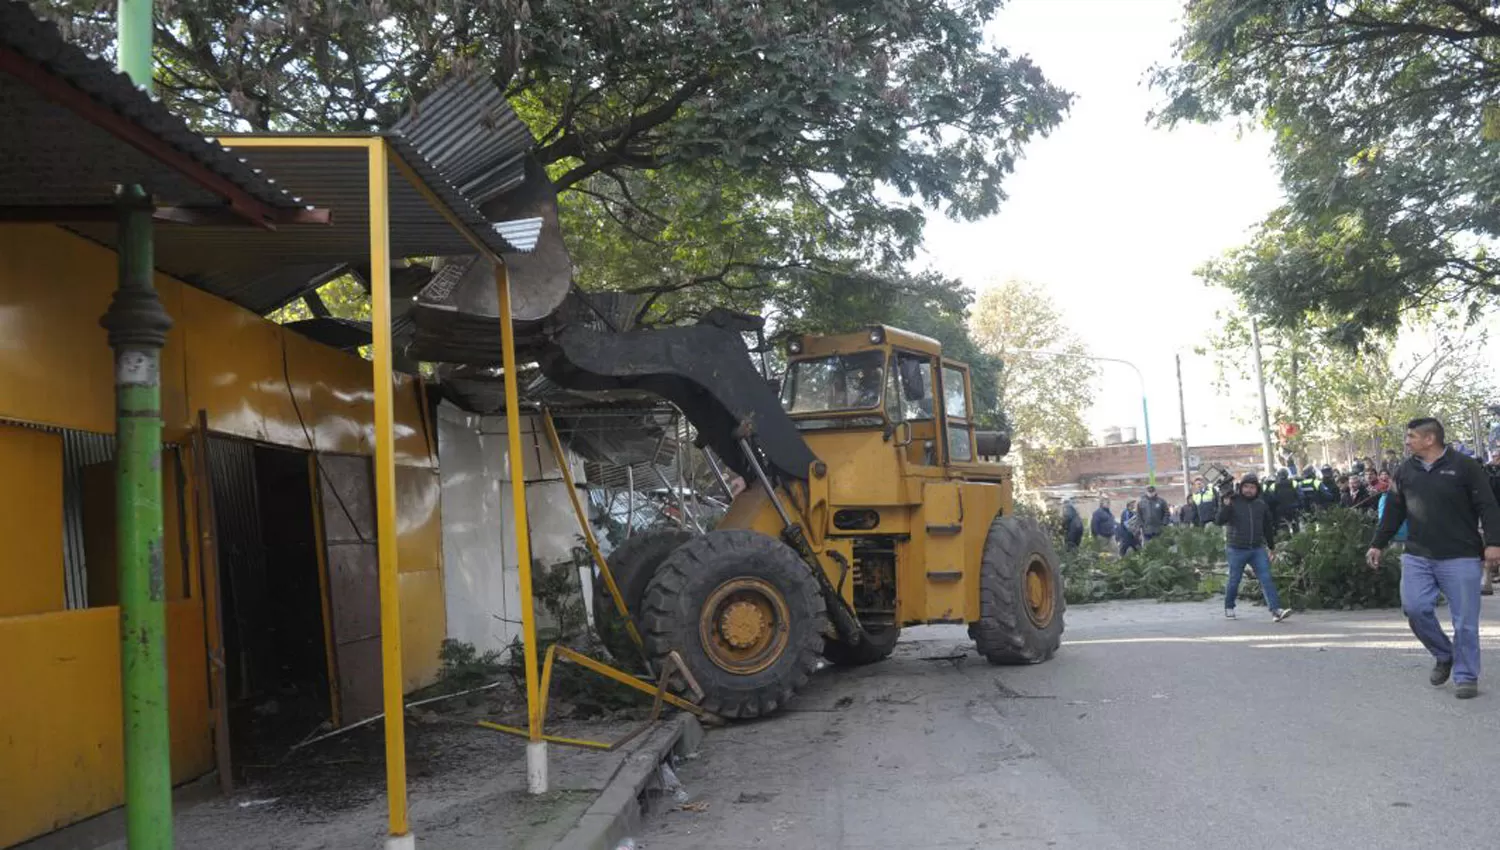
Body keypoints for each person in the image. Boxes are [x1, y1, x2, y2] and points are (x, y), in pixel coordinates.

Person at [1367, 418, 1500, 700]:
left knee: (1464, 621)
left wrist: (1494, 542)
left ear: (1430, 439)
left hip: (1461, 555)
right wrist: (1378, 544)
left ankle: (1466, 676)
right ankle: (1444, 654)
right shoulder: (1405, 470)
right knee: (1414, 608)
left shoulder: (1465, 467)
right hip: (1418, 555)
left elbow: (1487, 506)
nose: (1406, 441)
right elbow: (1393, 510)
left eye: (1411, 436)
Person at [1218, 472, 1292, 622]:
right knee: (1234, 579)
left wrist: (1271, 547)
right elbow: (1219, 520)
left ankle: (1276, 610)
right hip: (1236, 548)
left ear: (1257, 489)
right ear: (1241, 488)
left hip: (1257, 549)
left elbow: (1267, 527)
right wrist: (1225, 505)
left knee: (1266, 578)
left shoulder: (1261, 505)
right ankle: (1229, 606)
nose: (1249, 490)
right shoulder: (1232, 501)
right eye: (1246, 487)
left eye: (1252, 487)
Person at [1270, 468, 1301, 532]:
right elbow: (1300, 495)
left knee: (1282, 528)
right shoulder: (1294, 483)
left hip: (1281, 510)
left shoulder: (1274, 485)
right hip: (1293, 508)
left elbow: (1271, 499)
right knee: (1296, 527)